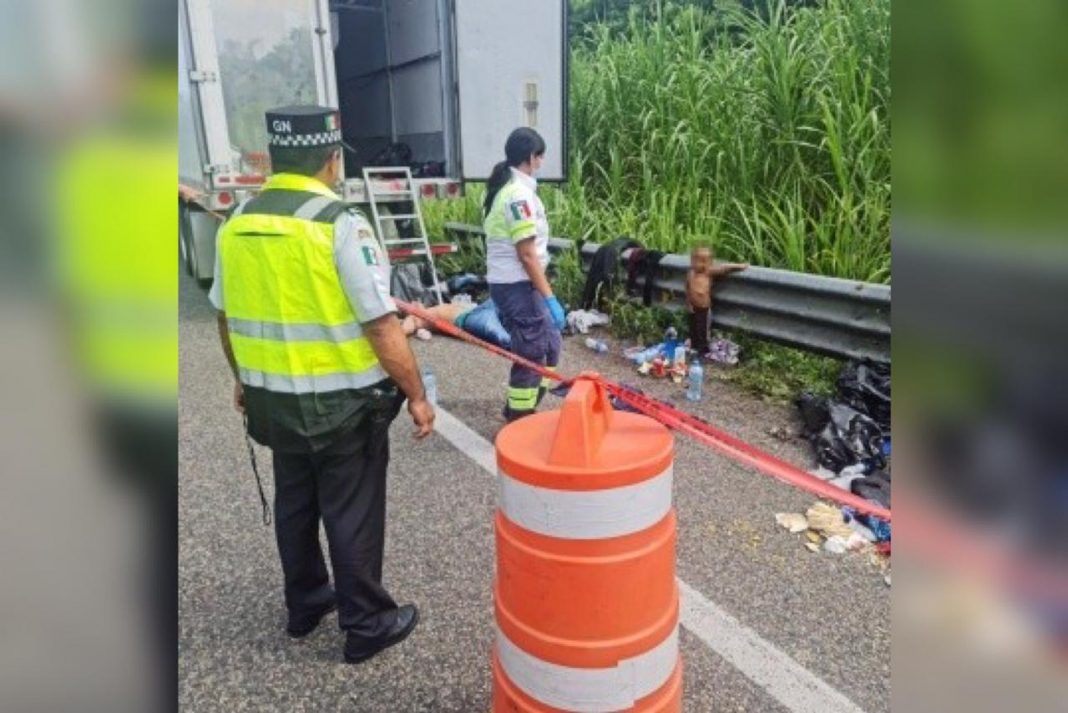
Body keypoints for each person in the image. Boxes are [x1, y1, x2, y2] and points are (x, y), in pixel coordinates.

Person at [210, 105, 434, 664]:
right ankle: (367, 623)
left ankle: (306, 604)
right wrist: (416, 395)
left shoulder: (236, 222)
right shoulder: (339, 224)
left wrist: (243, 380)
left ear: (274, 158)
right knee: (350, 509)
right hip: (340, 405)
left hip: (270, 402)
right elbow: (380, 323)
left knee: (295, 500)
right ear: (332, 160)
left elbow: (224, 315)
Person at [482, 127, 564, 421]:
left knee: (551, 345)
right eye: (540, 157)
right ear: (532, 157)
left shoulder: (514, 190)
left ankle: (526, 404)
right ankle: (519, 415)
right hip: (515, 284)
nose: (542, 163)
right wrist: (550, 297)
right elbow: (527, 254)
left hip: (519, 283)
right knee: (532, 351)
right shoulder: (517, 196)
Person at [685, 244, 748, 357]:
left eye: (705, 261)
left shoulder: (707, 273)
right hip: (693, 308)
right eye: (697, 260)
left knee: (703, 331)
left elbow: (724, 268)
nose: (701, 264)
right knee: (693, 328)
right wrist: (689, 304)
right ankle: (694, 347)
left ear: (710, 263)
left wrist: (739, 266)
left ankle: (703, 350)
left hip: (703, 309)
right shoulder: (690, 273)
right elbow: (688, 289)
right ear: (692, 260)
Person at [399, 299, 512, 349]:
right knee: (505, 338)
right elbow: (411, 323)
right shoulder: (424, 317)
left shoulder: (436, 311)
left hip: (480, 312)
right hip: (471, 318)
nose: (416, 303)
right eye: (414, 304)